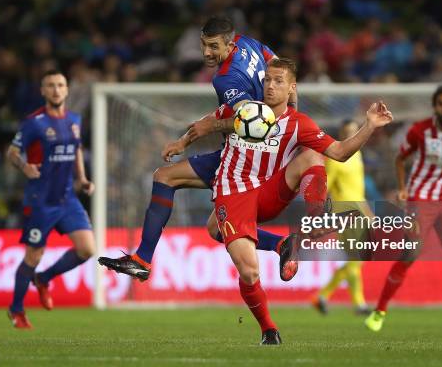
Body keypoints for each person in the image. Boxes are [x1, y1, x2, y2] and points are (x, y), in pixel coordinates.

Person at [99, 16, 329, 282]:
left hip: (245, 159)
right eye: (204, 45)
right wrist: (184, 141)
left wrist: (215, 126)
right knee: (213, 227)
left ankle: (142, 259)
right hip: (264, 151)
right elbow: (284, 78)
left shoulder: (225, 79)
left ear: (229, 44)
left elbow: (250, 122)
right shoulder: (249, 43)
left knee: (165, 177)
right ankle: (282, 245)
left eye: (213, 46)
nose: (207, 52)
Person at [186, 58, 391, 344]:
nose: (270, 85)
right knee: (244, 265)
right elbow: (210, 121)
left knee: (312, 155)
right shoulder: (243, 109)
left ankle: (317, 214)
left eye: (278, 81)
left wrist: (369, 125)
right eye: (267, 79)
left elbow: (341, 152)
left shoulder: (298, 123)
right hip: (235, 194)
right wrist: (184, 141)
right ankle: (270, 330)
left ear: (291, 88)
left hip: (270, 194)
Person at [364, 84, 442, 333]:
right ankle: (379, 311)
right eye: (441, 104)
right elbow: (400, 159)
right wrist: (402, 188)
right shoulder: (420, 131)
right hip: (420, 198)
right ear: (435, 106)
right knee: (411, 253)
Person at [6, 70, 95, 329]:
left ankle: (44, 278)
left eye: (60, 85)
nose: (56, 90)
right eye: (50, 86)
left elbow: (76, 148)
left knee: (87, 249)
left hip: (67, 197)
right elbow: (12, 152)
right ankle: (16, 310)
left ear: (67, 90)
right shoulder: (34, 122)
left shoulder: (75, 120)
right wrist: (25, 168)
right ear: (43, 91)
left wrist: (83, 179)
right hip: (40, 199)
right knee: (33, 255)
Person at [311, 120, 373, 316]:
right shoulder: (338, 158)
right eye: (348, 133)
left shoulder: (358, 155)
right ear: (341, 134)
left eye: (356, 133)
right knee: (358, 257)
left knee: (357, 258)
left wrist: (367, 212)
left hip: (358, 209)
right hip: (345, 211)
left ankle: (330, 299)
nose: (353, 137)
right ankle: (351, 302)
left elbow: (357, 189)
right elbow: (326, 185)